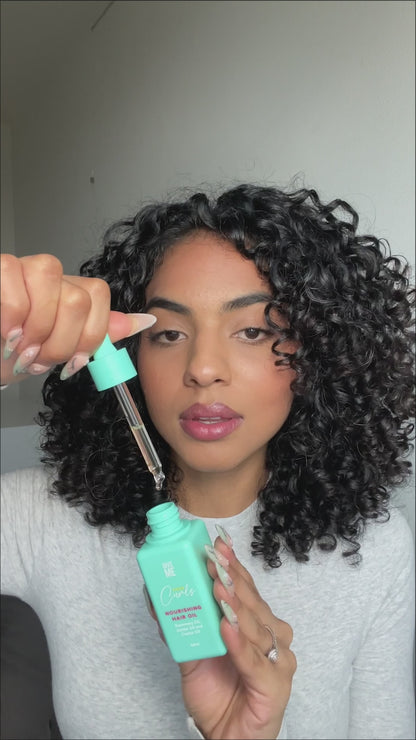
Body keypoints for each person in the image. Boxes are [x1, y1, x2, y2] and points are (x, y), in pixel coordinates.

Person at [1, 183, 414, 740]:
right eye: (169, 333)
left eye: (253, 331)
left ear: (319, 354)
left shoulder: (374, 548)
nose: (202, 368)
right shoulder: (35, 515)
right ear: (130, 355)